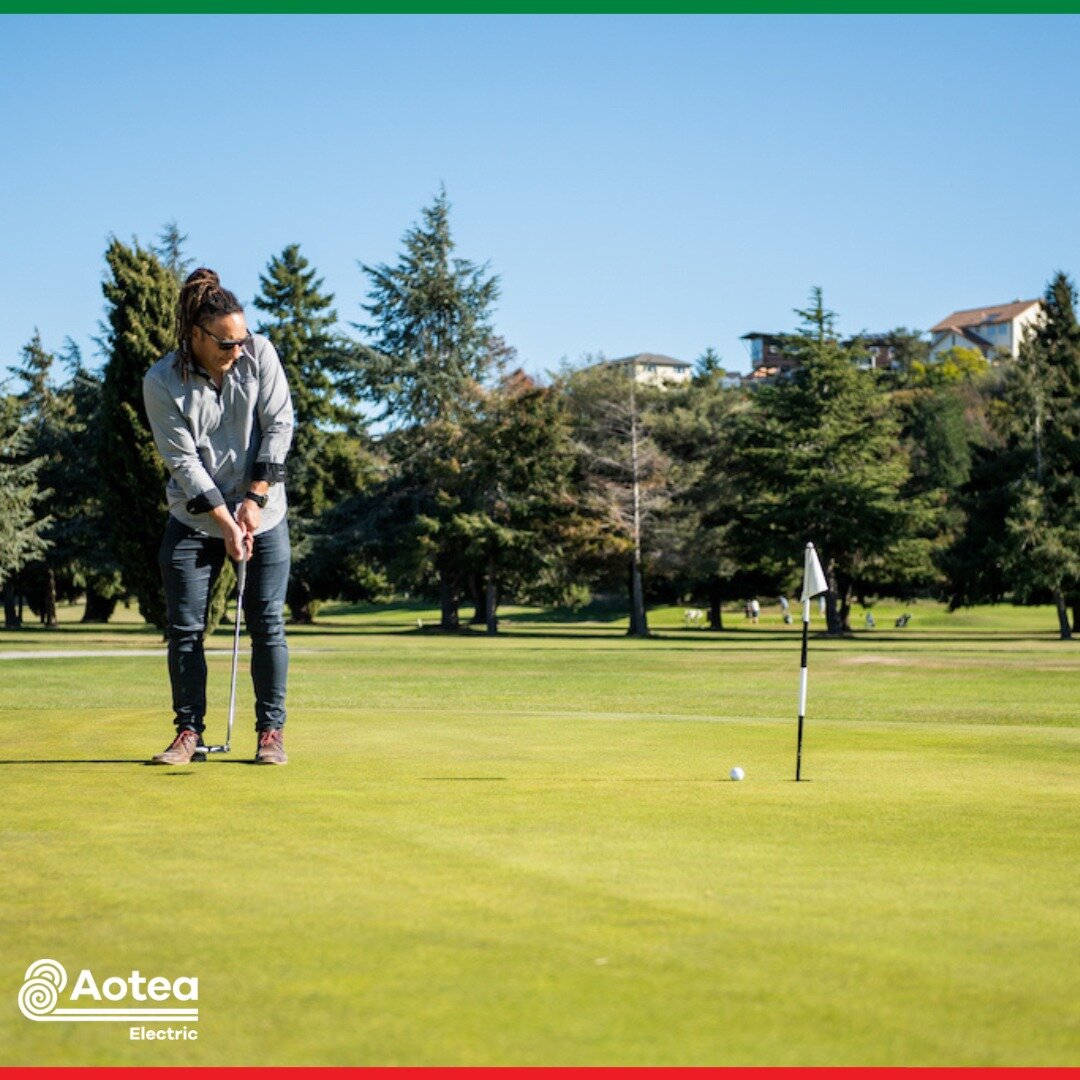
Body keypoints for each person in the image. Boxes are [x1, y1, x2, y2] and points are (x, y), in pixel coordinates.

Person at [142, 269, 294, 765]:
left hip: (263, 512)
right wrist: (227, 522)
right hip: (196, 517)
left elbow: (278, 426)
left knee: (267, 622)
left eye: (241, 340)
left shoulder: (261, 354)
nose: (237, 351)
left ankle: (271, 734)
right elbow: (183, 461)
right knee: (186, 629)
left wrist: (254, 498)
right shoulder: (162, 382)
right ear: (197, 336)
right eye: (226, 343)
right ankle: (188, 733)